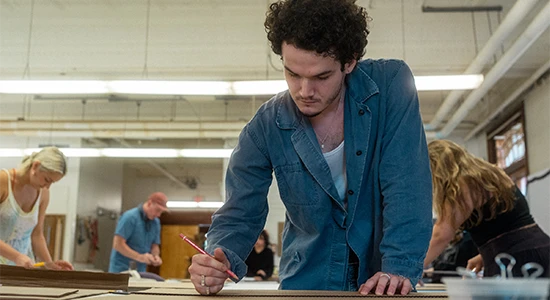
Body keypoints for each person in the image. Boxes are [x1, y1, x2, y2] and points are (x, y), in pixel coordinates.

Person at [188, 0, 432, 296]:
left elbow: (406, 183)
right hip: (305, 282)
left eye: (321, 77)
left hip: (381, 282)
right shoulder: (266, 126)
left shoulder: (390, 86)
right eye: (292, 73)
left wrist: (399, 265)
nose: (304, 91)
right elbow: (240, 210)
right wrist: (217, 258)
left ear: (350, 62)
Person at [423, 139, 550, 278]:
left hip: (522, 259)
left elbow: (441, 234)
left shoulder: (462, 184)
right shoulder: (490, 176)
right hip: (531, 252)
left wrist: (410, 268)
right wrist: (485, 254)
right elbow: (507, 224)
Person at [0, 147, 73, 270]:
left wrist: (49, 264)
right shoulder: (3, 181)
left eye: (52, 183)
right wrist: (16, 256)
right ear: (35, 166)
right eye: (47, 180)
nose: (47, 186)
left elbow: (37, 234)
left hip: (22, 268)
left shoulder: (43, 193)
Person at [108, 192, 168, 273]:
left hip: (140, 271)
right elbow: (118, 244)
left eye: (161, 212)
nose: (158, 215)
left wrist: (155, 256)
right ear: (149, 203)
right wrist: (139, 257)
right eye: (157, 210)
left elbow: (154, 245)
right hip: (121, 269)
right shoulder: (129, 217)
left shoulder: (155, 222)